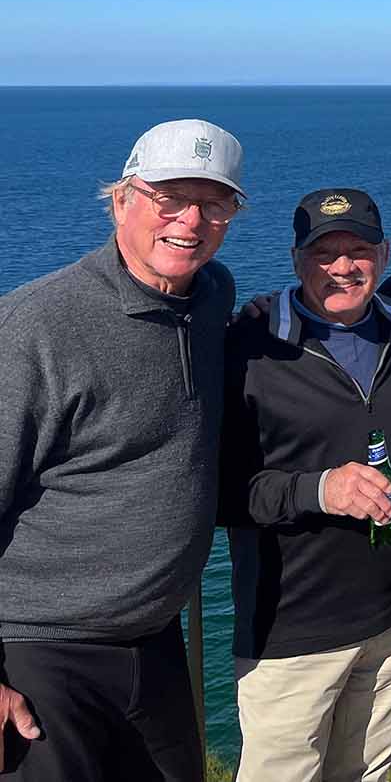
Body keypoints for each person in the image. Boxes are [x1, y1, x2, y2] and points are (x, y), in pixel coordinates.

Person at [0, 119, 243, 781]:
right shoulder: (37, 327)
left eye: (213, 204)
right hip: (41, 652)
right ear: (121, 202)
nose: (190, 222)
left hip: (153, 641)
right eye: (169, 199)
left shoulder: (211, 296)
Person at [219, 188, 391, 782]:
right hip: (294, 628)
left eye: (359, 249)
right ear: (295, 259)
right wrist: (319, 490)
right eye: (324, 252)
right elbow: (214, 492)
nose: (343, 267)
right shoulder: (249, 345)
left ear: (386, 254)